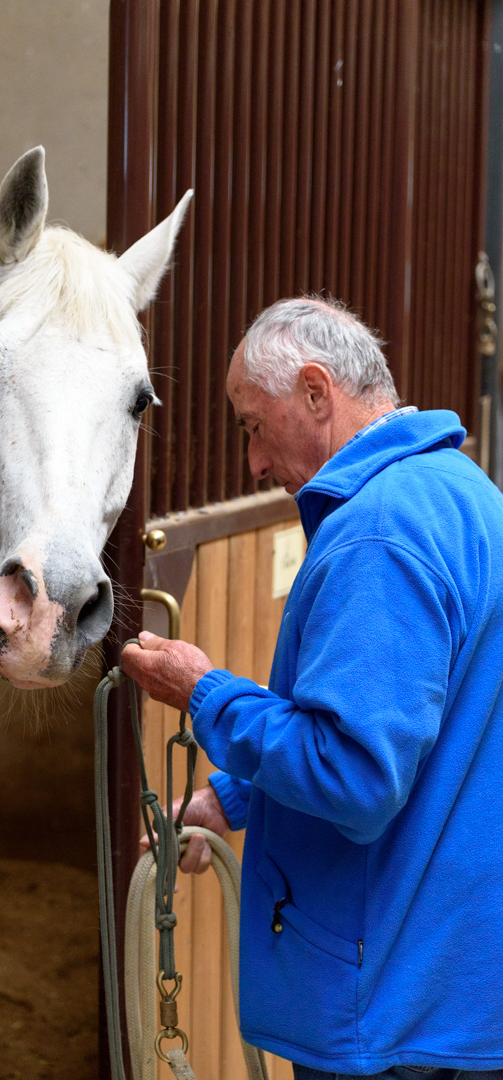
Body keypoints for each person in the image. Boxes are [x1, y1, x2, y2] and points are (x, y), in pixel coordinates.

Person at [122, 297, 503, 1080]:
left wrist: (204, 693)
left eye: (254, 427)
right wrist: (232, 799)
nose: (254, 463)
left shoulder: (378, 534)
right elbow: (421, 734)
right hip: (458, 991)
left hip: (392, 1010)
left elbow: (355, 777)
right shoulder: (462, 490)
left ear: (318, 392)